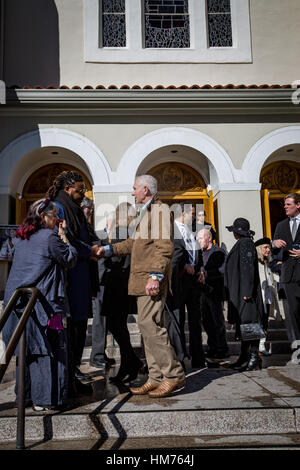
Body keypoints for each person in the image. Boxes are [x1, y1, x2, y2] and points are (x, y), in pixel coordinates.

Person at [99, 175, 185, 398]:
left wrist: (156, 276)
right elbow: (132, 244)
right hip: (139, 280)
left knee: (150, 326)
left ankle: (173, 374)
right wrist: (107, 250)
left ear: (146, 190)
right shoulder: (144, 213)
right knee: (147, 329)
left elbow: (164, 248)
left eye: (135, 189)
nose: (132, 193)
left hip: (150, 280)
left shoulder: (160, 211)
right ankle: (156, 378)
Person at [2, 198, 77, 411]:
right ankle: (47, 398)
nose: (57, 221)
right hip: (47, 303)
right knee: (52, 348)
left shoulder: (21, 236)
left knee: (27, 349)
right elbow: (70, 259)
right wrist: (64, 237)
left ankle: (24, 396)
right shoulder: (50, 237)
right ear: (44, 217)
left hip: (18, 302)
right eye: (54, 217)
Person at [46, 171, 101, 392]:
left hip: (80, 275)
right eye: (80, 190)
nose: (83, 194)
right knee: (68, 329)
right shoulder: (57, 207)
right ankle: (66, 376)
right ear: (68, 189)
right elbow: (64, 241)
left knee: (79, 327)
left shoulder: (75, 209)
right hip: (68, 278)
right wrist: (90, 251)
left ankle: (73, 370)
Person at [99, 202, 144, 383]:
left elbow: (115, 258)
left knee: (115, 325)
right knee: (119, 326)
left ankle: (131, 362)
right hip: (125, 284)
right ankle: (129, 363)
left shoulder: (120, 232)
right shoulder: (132, 232)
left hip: (117, 284)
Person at [224, 218, 265, 371]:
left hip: (245, 293)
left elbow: (248, 269)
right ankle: (244, 356)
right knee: (245, 325)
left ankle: (254, 357)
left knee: (250, 324)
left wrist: (247, 292)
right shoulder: (243, 243)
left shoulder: (245, 243)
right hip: (241, 291)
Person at [80, 197, 115, 369]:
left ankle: (102, 352)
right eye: (88, 208)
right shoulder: (97, 234)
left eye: (91, 209)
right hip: (98, 281)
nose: (90, 211)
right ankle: (97, 355)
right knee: (99, 319)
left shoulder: (94, 231)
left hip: (107, 282)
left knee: (106, 319)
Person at [172, 202, 206, 368]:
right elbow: (170, 256)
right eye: (192, 213)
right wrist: (183, 266)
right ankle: (180, 357)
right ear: (182, 213)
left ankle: (198, 356)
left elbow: (197, 253)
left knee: (195, 320)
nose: (194, 216)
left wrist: (201, 270)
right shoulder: (172, 231)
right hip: (180, 280)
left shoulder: (192, 232)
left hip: (194, 283)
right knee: (178, 319)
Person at [197, 228, 229, 360]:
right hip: (202, 291)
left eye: (201, 238)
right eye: (197, 239)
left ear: (209, 238)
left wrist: (207, 274)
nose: (198, 241)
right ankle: (212, 347)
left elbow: (222, 270)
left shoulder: (219, 252)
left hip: (214, 291)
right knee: (206, 320)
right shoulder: (199, 253)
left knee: (217, 320)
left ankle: (222, 348)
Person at [272, 193, 300, 344]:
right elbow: (274, 251)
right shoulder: (281, 225)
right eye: (284, 204)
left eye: (288, 204)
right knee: (294, 314)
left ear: (298, 205)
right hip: (289, 277)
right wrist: (274, 244)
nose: (285, 207)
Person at [255, 237, 282, 356]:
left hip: (268, 297)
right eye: (265, 247)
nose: (268, 250)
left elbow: (273, 278)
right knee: (258, 322)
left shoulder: (268, 262)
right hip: (259, 297)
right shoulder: (255, 263)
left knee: (265, 322)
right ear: (258, 249)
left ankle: (262, 345)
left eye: (269, 248)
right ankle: (257, 345)